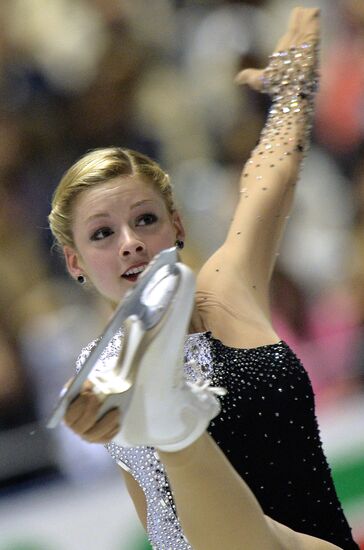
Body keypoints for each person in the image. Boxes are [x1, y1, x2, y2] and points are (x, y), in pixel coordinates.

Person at [48, 7, 359, 550]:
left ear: (177, 226)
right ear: (75, 263)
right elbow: (158, 523)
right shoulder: (101, 374)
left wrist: (291, 89)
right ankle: (169, 422)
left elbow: (271, 176)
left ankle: (169, 421)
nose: (130, 241)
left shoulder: (229, 287)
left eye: (145, 219)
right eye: (102, 234)